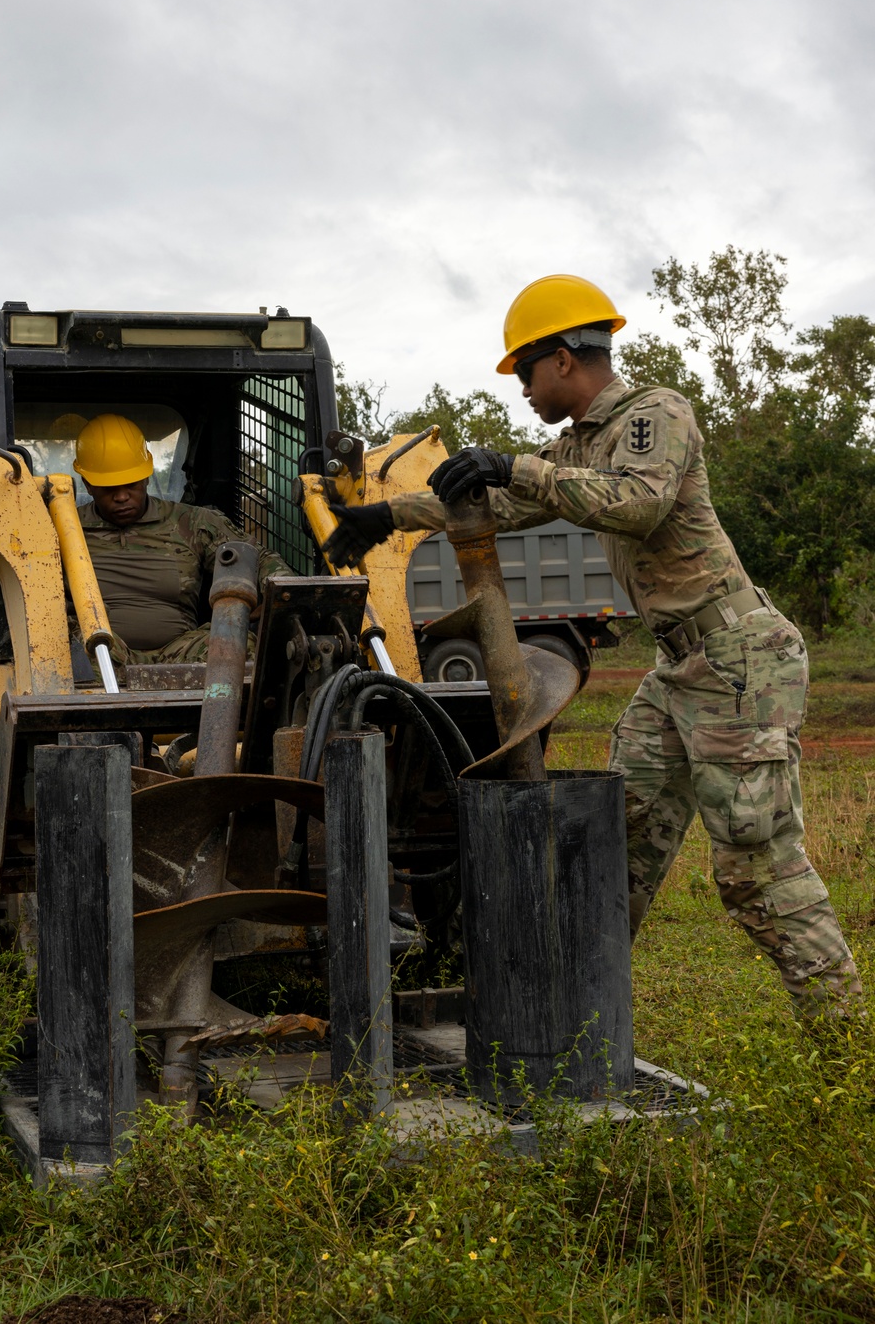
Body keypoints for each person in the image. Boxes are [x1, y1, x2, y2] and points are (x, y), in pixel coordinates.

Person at [324, 273, 863, 1021]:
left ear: (565, 360)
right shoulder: (577, 443)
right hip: (681, 666)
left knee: (757, 867)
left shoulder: (656, 414)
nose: (521, 389)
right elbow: (505, 502)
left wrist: (517, 465)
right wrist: (388, 514)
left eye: (524, 370)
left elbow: (637, 502)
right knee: (612, 844)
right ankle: (573, 1026)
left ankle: (846, 1044)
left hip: (739, 659)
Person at [72, 413, 291, 665]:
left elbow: (258, 558)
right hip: (100, 651)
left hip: (180, 654)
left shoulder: (191, 522)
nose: (122, 497)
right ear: (88, 485)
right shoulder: (62, 531)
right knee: (70, 653)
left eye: (131, 484)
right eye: (109, 487)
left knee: (234, 647)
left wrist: (281, 597)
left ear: (145, 476)